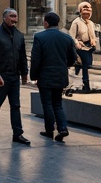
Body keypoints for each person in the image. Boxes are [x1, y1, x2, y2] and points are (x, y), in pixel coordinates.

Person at [0, 8, 30, 144]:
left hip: (14, 75)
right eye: (11, 16)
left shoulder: (19, 35)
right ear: (4, 17)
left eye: (16, 16)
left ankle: (18, 133)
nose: (14, 19)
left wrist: (24, 73)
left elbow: (22, 56)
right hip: (1, 75)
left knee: (15, 105)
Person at [30, 10, 77, 142]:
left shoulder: (39, 37)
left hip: (45, 76)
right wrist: (64, 65)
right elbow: (73, 58)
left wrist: (33, 75)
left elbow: (35, 59)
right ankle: (62, 128)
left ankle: (49, 129)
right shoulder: (67, 38)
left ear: (46, 23)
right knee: (57, 103)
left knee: (47, 104)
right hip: (61, 75)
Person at [69, 1, 98, 92]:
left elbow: (93, 35)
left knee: (86, 65)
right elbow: (72, 36)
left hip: (89, 48)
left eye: (89, 12)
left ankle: (75, 82)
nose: (87, 13)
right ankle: (85, 84)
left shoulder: (91, 23)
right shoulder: (76, 22)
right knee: (84, 65)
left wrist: (93, 41)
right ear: (80, 12)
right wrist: (77, 44)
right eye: (84, 11)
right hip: (81, 48)